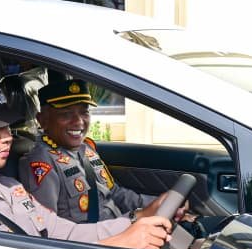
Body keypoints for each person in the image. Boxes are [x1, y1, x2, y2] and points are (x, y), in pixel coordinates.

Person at [0, 82, 172, 249]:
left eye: (8, 127)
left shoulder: (11, 188)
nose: (8, 136)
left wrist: (136, 219)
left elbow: (68, 233)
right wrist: (118, 244)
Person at [19, 78, 188, 225]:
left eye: (84, 112)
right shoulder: (41, 162)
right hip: (96, 243)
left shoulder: (86, 149)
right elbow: (50, 228)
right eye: (66, 114)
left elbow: (114, 193)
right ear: (43, 120)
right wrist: (135, 219)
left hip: (119, 227)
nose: (79, 122)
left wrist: (158, 204)